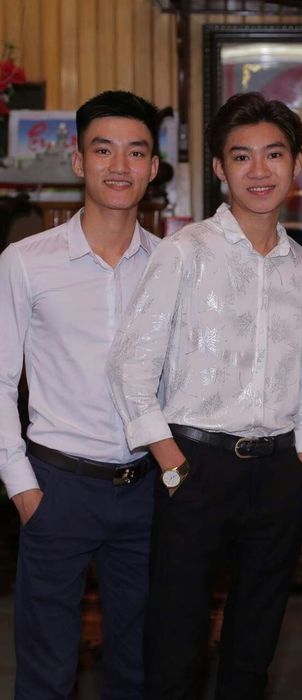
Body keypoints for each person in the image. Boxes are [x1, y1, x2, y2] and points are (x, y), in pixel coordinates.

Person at [107, 91, 302, 700]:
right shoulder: (185, 252)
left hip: (278, 472)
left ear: (295, 165)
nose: (260, 171)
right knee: (175, 645)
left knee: (254, 647)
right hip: (196, 466)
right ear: (221, 169)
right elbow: (129, 365)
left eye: (274, 155)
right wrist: (173, 465)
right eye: (242, 156)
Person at [0, 90, 161, 699]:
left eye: (135, 152)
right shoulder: (26, 262)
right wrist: (22, 488)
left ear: (152, 167)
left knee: (139, 667)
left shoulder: (171, 265)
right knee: (45, 672)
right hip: (56, 487)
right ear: (78, 160)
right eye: (103, 149)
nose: (119, 165)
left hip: (146, 490)